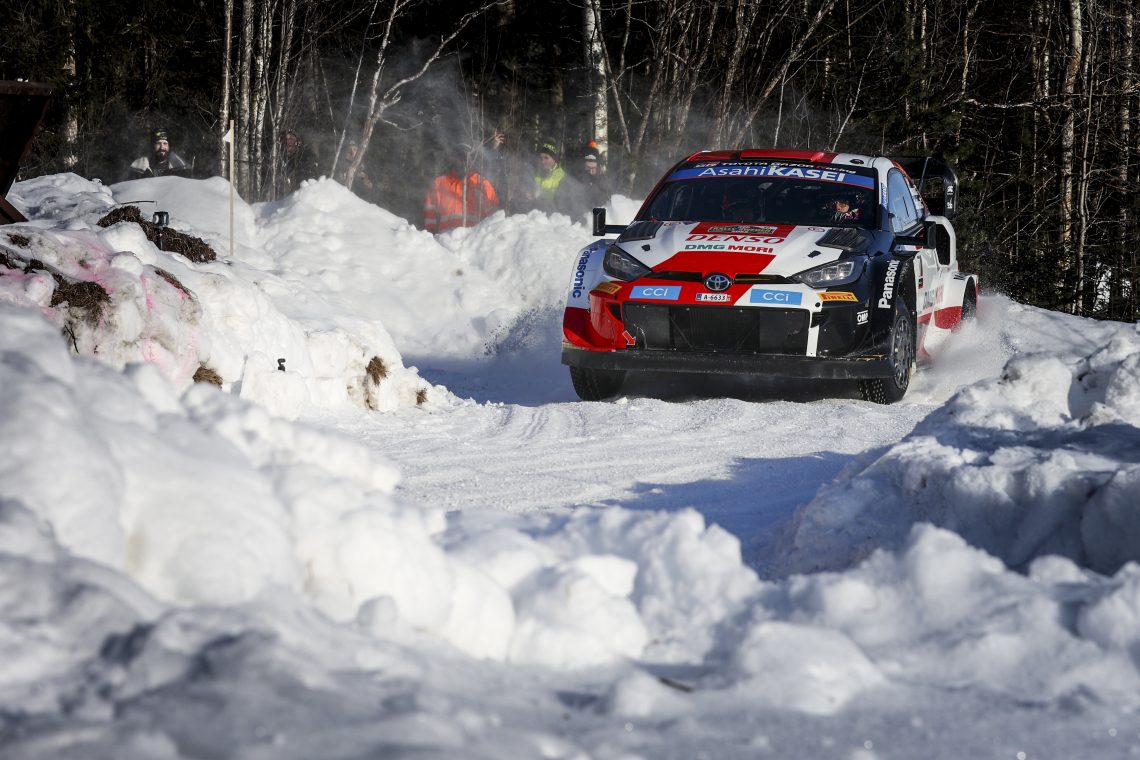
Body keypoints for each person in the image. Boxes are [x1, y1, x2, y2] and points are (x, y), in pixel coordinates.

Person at [422, 144, 501, 234]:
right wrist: (431, 234)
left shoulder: (481, 184)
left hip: (473, 240)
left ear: (472, 160)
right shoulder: (439, 183)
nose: (462, 162)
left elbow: (494, 217)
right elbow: (430, 215)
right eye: (458, 157)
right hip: (445, 239)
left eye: (465, 158)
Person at [556, 144, 612, 215]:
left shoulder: (602, 183)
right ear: (582, 166)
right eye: (588, 168)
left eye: (593, 168)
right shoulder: (571, 181)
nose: (590, 172)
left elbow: (607, 206)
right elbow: (560, 203)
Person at [528, 140, 565, 213]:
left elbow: (560, 200)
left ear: (554, 159)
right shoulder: (536, 172)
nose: (543, 161)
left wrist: (538, 194)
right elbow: (531, 187)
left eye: (546, 158)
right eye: (541, 158)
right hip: (535, 210)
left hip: (554, 212)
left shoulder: (561, 175)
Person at [282, 129, 319, 194]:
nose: (289, 144)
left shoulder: (305, 156)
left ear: (297, 142)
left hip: (304, 193)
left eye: (291, 141)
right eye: (286, 141)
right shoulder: (280, 159)